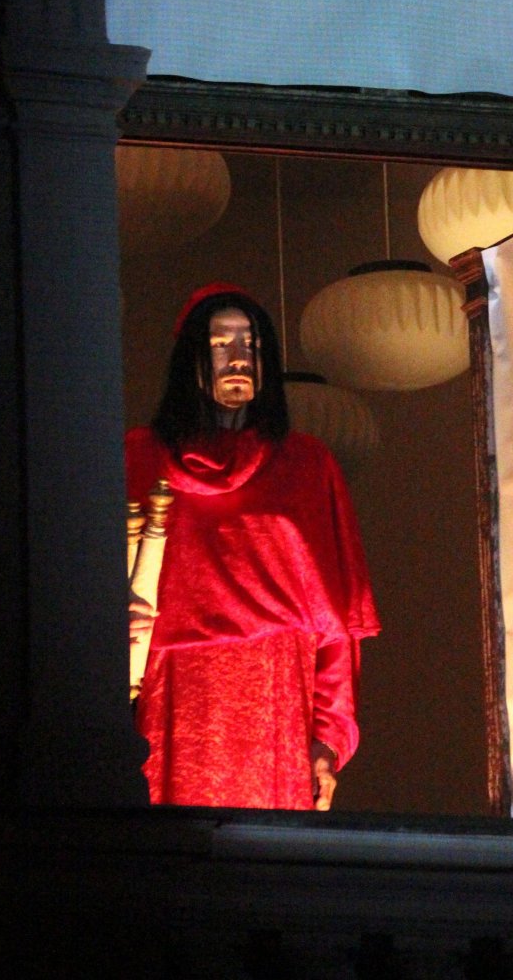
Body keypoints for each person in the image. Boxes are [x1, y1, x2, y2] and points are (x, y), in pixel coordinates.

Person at [127, 282, 380, 810]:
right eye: (220, 344)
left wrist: (328, 739)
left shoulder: (307, 465)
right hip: (168, 691)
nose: (238, 357)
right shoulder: (139, 458)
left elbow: (337, 627)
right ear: (191, 359)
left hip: (276, 691)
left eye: (251, 344)